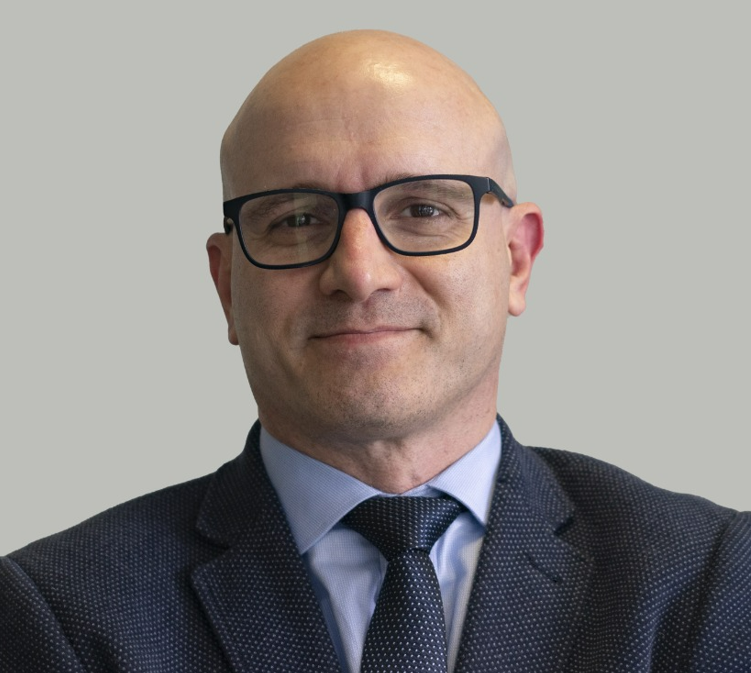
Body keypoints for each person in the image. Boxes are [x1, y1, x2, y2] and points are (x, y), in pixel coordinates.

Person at [1, 29, 749, 673]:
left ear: (516, 260)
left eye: (422, 209)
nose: (359, 273)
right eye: (296, 220)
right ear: (228, 286)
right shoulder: (60, 613)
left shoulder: (710, 580)